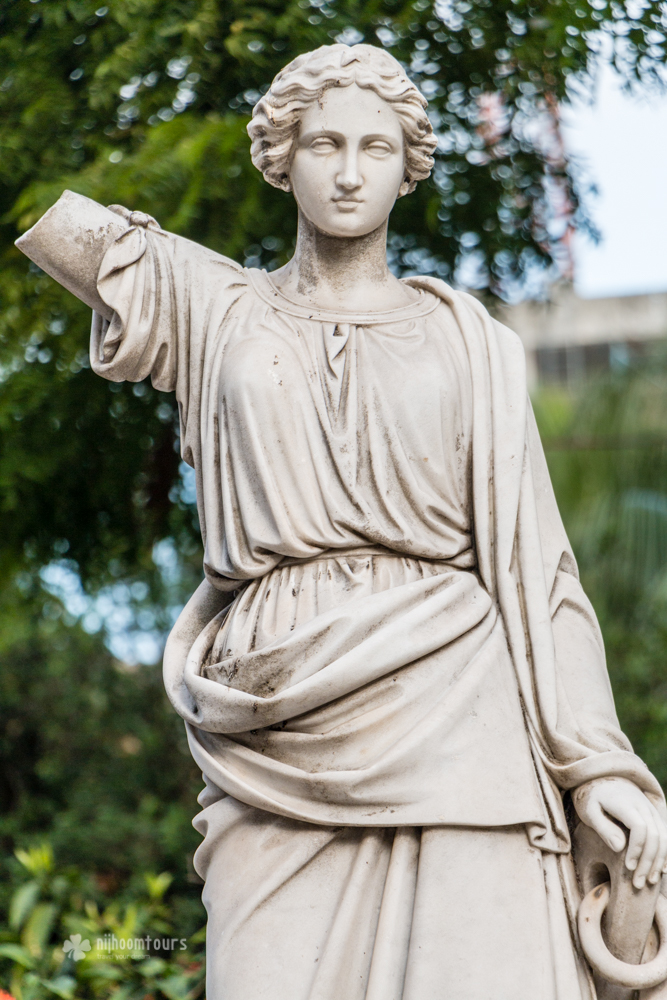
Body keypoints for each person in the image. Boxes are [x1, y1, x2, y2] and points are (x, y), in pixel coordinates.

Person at [16, 41, 667, 1000]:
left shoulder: (468, 341)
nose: (350, 170)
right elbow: (58, 231)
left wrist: (596, 764)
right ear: (280, 157)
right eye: (324, 143)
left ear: (411, 167)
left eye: (375, 145)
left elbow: (542, 571)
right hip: (274, 708)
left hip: (460, 711)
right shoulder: (218, 309)